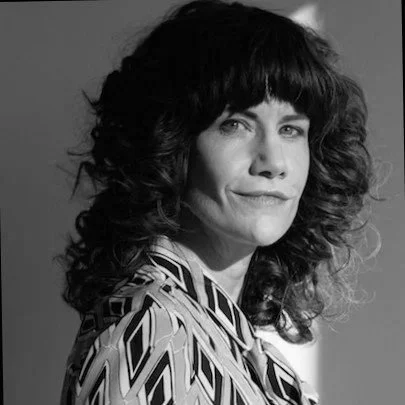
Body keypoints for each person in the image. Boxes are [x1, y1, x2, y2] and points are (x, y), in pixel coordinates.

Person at [59, 1, 377, 404]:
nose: (273, 162)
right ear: (170, 145)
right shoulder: (154, 336)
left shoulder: (223, 339)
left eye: (291, 129)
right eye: (235, 124)